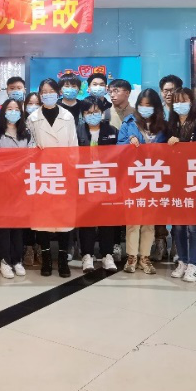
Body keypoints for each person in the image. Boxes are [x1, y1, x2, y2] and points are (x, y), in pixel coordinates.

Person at [26, 79, 78, 277]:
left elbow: (74, 146)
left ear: (58, 93)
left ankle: (63, 259)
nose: (47, 94)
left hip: (64, 173)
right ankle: (46, 259)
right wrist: (33, 149)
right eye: (44, 91)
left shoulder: (68, 116)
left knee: (64, 218)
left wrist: (72, 171)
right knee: (42, 219)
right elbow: (28, 145)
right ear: (40, 95)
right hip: (42, 174)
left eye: (51, 91)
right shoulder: (32, 118)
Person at [117, 88, 167, 274]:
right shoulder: (128, 123)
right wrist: (128, 142)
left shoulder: (163, 126)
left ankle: (145, 257)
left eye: (149, 105)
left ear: (156, 107)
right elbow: (118, 149)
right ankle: (131, 257)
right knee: (133, 221)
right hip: (134, 177)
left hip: (155, 177)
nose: (145, 108)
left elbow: (170, 152)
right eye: (142, 105)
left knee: (149, 221)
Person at [166, 88, 196, 282]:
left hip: (195, 180)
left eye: (184, 100)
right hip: (175, 180)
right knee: (178, 226)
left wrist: (181, 143)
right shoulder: (170, 124)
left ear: (191, 102)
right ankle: (182, 261)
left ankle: (193, 263)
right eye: (176, 101)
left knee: (194, 226)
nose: (180, 104)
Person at [76, 100, 119, 272]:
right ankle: (87, 255)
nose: (92, 115)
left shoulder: (112, 131)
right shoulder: (77, 131)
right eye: (88, 112)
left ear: (102, 113)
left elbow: (120, 155)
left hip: (106, 181)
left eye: (96, 112)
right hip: (84, 182)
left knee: (106, 219)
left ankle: (107, 254)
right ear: (83, 115)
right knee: (86, 219)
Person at [0, 98, 32, 278]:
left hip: (21, 185)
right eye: (9, 109)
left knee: (18, 225)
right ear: (3, 112)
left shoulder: (27, 133)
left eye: (16, 109)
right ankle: (4, 260)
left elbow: (31, 157)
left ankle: (17, 260)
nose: (13, 112)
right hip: (2, 185)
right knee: (4, 225)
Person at [21, 91, 43, 266]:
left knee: (40, 212)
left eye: (37, 103)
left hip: (43, 172)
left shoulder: (44, 121)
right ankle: (28, 246)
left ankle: (40, 246)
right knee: (26, 213)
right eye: (30, 103)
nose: (33, 107)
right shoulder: (21, 123)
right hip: (24, 174)